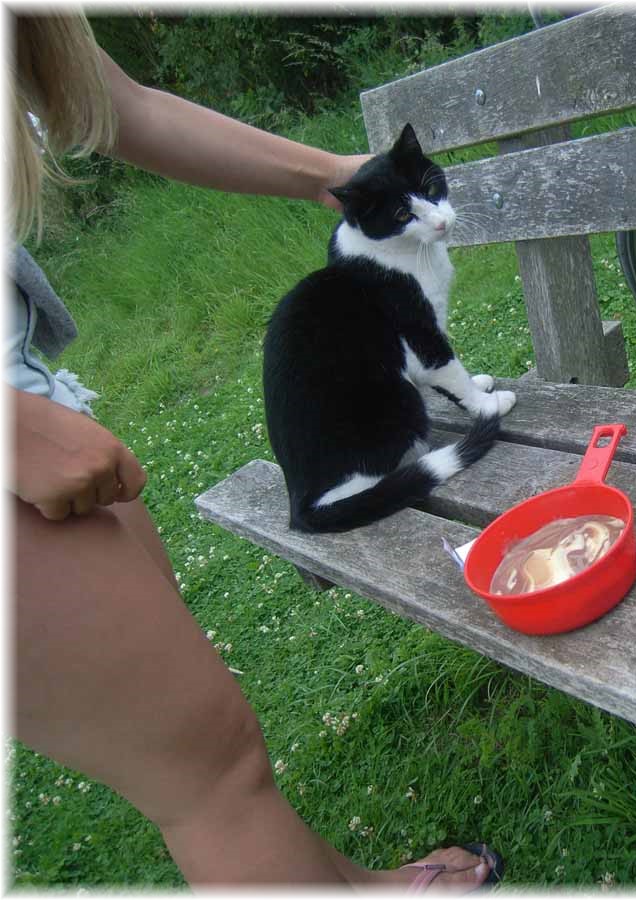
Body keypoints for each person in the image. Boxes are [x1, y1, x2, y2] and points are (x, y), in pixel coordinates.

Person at [9, 13, 500, 890]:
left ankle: (354, 885)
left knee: (214, 776)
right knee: (212, 780)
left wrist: (333, 175)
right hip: (19, 441)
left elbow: (119, 106)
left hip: (41, 412)